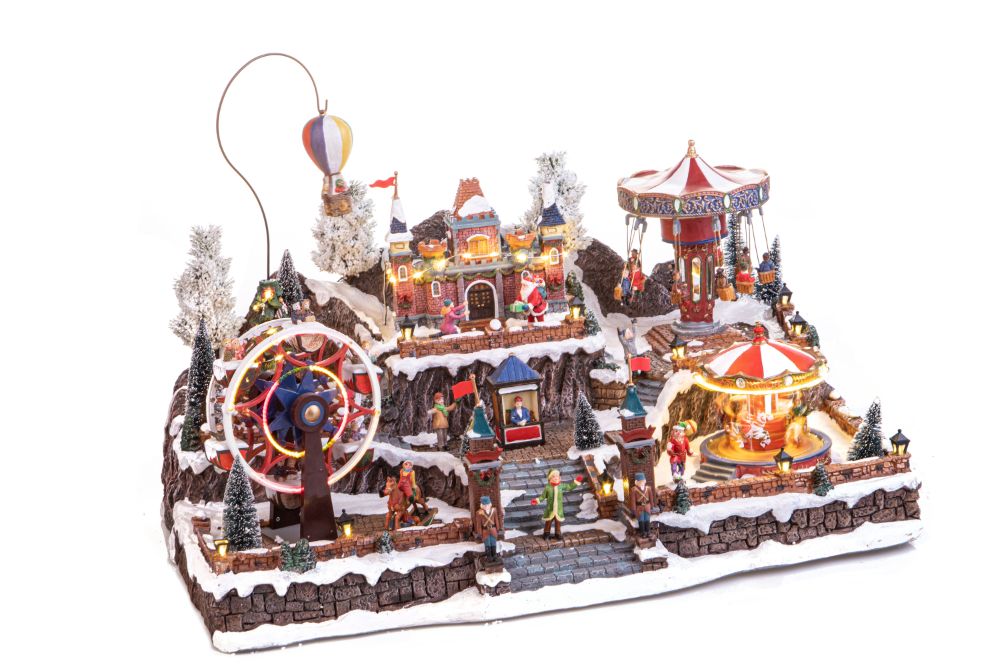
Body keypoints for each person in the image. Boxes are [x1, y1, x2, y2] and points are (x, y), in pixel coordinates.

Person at [530, 469, 584, 540]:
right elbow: (543, 496)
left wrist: (576, 482)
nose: (556, 478)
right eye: (553, 476)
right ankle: (546, 533)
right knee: (548, 521)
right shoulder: (548, 487)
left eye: (557, 476)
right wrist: (537, 500)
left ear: (559, 477)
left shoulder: (561, 486)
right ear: (550, 478)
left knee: (558, 522)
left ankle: (557, 533)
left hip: (558, 509)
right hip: (550, 509)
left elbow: (569, 487)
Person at [630, 473, 658, 537]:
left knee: (647, 519)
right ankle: (643, 533)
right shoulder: (634, 489)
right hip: (639, 508)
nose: (642, 482)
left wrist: (652, 506)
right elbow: (633, 500)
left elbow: (651, 498)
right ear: (637, 482)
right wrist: (633, 509)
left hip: (647, 507)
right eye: (640, 481)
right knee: (641, 519)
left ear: (645, 481)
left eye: (643, 481)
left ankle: (648, 531)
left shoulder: (648, 488)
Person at [475, 496, 501, 562]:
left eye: (487, 504)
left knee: (493, 543)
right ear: (482, 505)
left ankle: (494, 555)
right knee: (487, 544)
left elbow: (496, 520)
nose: (486, 506)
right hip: (485, 531)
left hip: (493, 530)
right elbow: (479, 524)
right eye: (484, 505)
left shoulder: (494, 510)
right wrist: (479, 532)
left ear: (490, 504)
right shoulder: (479, 513)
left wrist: (498, 528)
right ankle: (489, 556)